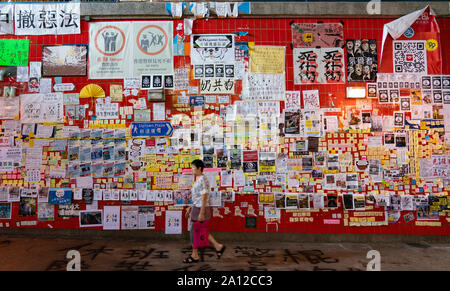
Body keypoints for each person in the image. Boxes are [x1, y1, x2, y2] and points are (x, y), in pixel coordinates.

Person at [183, 159, 226, 264]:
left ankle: (195, 255)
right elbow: (197, 197)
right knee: (200, 230)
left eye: (193, 167)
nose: (191, 169)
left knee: (194, 231)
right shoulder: (199, 179)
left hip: (200, 208)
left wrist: (201, 213)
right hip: (196, 207)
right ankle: (218, 246)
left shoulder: (203, 179)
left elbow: (204, 196)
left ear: (199, 168)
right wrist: (190, 207)